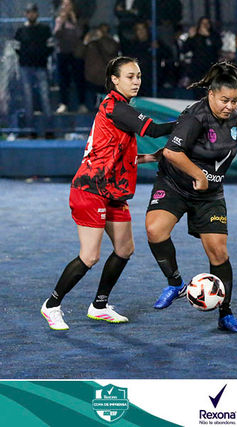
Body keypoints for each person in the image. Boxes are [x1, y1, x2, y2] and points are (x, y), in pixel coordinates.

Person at [40, 57, 176, 330]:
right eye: (130, 76)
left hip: (113, 192)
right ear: (115, 80)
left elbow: (120, 157)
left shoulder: (121, 110)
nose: (136, 81)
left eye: (138, 76)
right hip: (90, 189)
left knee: (125, 249)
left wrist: (153, 157)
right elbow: (153, 129)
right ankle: (51, 305)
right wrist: (190, 120)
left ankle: (99, 306)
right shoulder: (115, 106)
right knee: (89, 256)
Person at [145, 61, 237, 333]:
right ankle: (175, 283)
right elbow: (172, 152)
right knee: (155, 230)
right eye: (224, 100)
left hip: (209, 194)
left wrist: (209, 180)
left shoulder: (233, 117)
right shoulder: (194, 116)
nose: (230, 106)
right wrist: (199, 175)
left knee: (218, 251)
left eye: (235, 101)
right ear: (210, 95)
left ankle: (225, 313)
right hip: (175, 184)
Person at [14, 3, 53, 136]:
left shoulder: (45, 29)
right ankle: (30, 130)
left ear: (37, 14)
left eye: (33, 12)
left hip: (41, 67)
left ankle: (49, 130)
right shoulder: (20, 31)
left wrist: (42, 56)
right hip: (25, 67)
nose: (31, 15)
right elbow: (16, 48)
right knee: (28, 99)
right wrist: (25, 57)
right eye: (29, 12)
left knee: (45, 98)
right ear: (26, 14)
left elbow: (51, 46)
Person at [53, 0, 87, 113]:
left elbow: (79, 34)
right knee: (63, 80)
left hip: (76, 53)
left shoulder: (78, 20)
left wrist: (74, 20)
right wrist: (61, 22)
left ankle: (82, 103)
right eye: (64, 5)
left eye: (69, 5)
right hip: (63, 52)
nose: (66, 7)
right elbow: (56, 34)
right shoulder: (59, 20)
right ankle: (64, 104)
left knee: (78, 78)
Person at [180, 17, 222, 98]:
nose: (205, 25)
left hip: (211, 68)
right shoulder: (196, 36)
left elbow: (217, 46)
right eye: (203, 23)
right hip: (197, 68)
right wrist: (190, 37)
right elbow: (184, 50)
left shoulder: (214, 35)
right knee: (198, 91)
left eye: (207, 23)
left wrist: (208, 36)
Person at [83, 23, 119, 110]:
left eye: (104, 31)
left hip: (105, 78)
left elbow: (111, 50)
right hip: (91, 78)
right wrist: (85, 41)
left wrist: (102, 38)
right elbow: (78, 54)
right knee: (91, 107)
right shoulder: (91, 43)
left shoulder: (111, 42)